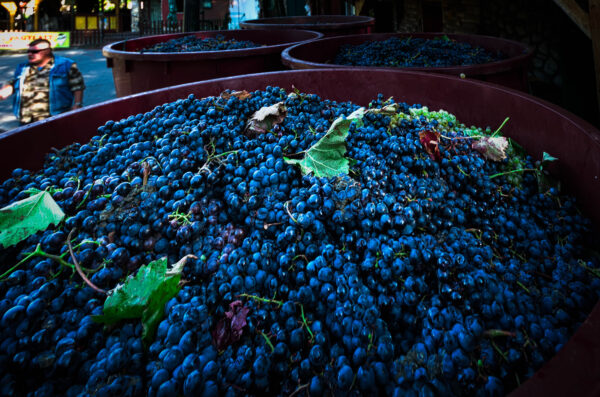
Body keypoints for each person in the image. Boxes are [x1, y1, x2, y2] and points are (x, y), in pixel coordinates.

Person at [0, 38, 85, 125]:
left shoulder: (66, 65)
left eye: (34, 52)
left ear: (47, 51)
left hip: (54, 117)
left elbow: (78, 86)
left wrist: (77, 105)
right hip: (26, 119)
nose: (30, 54)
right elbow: (15, 83)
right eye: (28, 51)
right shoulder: (23, 67)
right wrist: (3, 92)